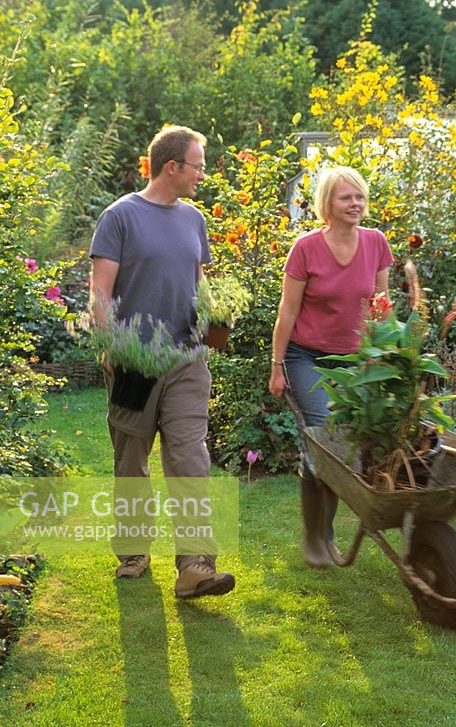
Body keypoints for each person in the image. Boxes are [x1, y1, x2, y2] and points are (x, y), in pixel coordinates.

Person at [89, 124, 235, 599]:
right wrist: (112, 343)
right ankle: (133, 550)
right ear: (172, 167)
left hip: (187, 358)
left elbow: (197, 283)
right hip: (136, 361)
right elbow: (100, 294)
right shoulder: (120, 217)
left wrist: (217, 316)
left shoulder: (194, 219)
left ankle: (195, 565)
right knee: (131, 461)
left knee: (190, 458)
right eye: (198, 166)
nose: (203, 175)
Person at [268, 166, 393, 567]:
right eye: (346, 197)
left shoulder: (376, 243)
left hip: (355, 361)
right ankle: (314, 538)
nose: (355, 204)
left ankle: (324, 534)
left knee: (344, 447)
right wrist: (276, 365)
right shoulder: (305, 248)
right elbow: (288, 310)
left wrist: (385, 357)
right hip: (306, 355)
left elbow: (381, 309)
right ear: (328, 204)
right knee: (324, 437)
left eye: (359, 196)